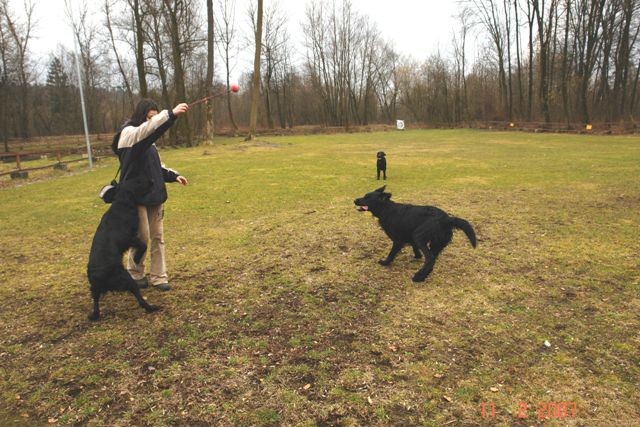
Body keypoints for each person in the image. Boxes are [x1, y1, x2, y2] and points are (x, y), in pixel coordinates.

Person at [111, 99, 190, 291]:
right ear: (142, 115)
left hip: (155, 196)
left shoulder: (149, 143)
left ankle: (159, 276)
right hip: (136, 197)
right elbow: (146, 130)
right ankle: (135, 273)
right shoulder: (128, 134)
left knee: (158, 237)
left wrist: (174, 175)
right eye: (150, 116)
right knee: (142, 237)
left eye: (155, 116)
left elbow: (156, 167)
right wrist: (169, 114)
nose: (153, 120)